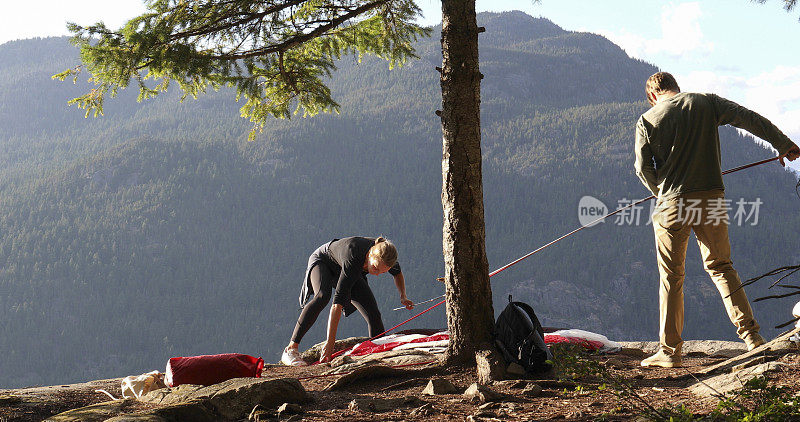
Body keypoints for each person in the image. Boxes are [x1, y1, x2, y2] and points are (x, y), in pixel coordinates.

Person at [634, 72, 800, 368]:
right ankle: (752, 338)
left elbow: (643, 168)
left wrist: (660, 191)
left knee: (672, 277)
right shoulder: (705, 102)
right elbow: (748, 118)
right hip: (711, 198)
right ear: (676, 88)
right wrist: (782, 142)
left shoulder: (648, 119)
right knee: (721, 267)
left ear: (653, 95)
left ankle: (670, 352)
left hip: (672, 204)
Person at [280, 236, 414, 366]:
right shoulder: (354, 257)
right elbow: (337, 304)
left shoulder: (387, 255)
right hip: (324, 261)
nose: (378, 274)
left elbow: (397, 274)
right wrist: (330, 343)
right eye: (375, 268)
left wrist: (403, 296)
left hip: (346, 267)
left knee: (373, 313)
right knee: (322, 296)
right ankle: (291, 349)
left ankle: (379, 353)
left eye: (383, 272)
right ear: (369, 256)